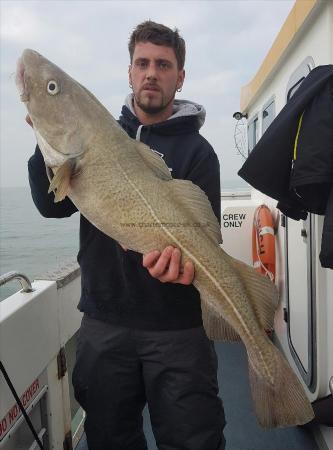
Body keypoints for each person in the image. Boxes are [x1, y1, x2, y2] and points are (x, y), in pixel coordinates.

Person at [27, 20, 225, 450]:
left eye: (163, 64)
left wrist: (183, 266)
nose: (151, 72)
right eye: (143, 63)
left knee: (193, 440)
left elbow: (207, 238)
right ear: (130, 72)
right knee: (110, 438)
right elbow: (50, 205)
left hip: (178, 330)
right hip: (104, 321)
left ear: (180, 76)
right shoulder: (95, 135)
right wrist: (45, 139)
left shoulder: (199, 153)